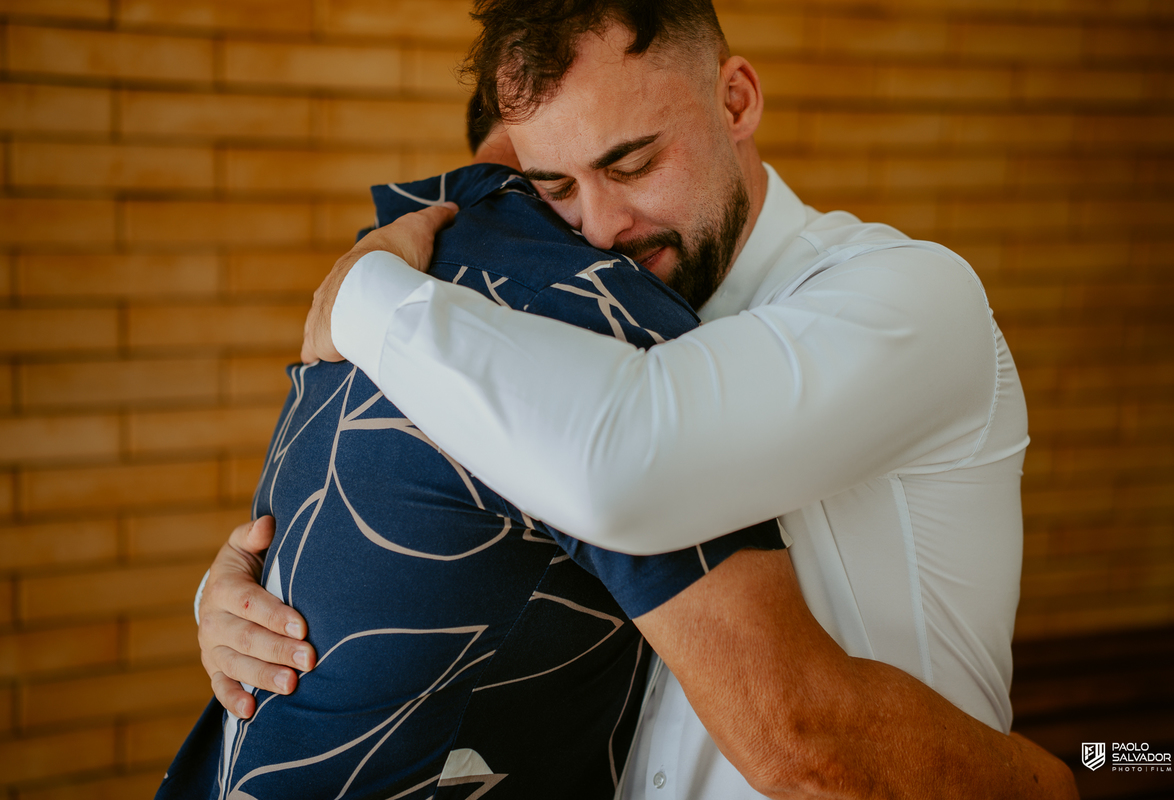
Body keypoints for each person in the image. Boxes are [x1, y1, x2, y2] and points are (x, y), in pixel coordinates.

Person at [198, 1, 1080, 796]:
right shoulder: (589, 331)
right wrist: (257, 607)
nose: (600, 227)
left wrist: (366, 294)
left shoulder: (908, 297)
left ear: (735, 102)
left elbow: (627, 465)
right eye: (555, 190)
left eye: (633, 163)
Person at [162, 158, 787, 799]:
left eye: (633, 166)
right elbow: (789, 737)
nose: (603, 223)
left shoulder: (372, 279)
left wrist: (215, 594)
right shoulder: (595, 302)